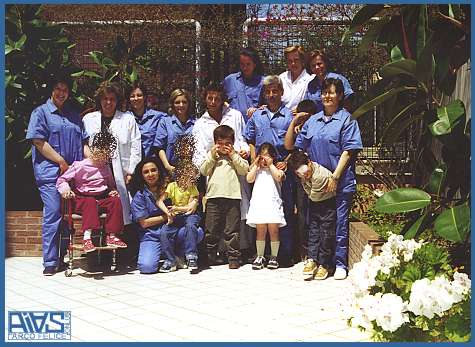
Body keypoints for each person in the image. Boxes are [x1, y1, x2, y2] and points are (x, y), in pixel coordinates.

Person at [285, 78, 363, 280]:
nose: (327, 96)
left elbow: (348, 151)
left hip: (339, 182)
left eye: (332, 92)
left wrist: (335, 177)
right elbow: (299, 148)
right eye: (324, 92)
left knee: (338, 223)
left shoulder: (347, 120)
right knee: (316, 224)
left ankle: (338, 263)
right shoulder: (313, 121)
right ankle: (317, 260)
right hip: (317, 186)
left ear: (339, 96)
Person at [26, 74, 90, 276]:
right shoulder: (41, 113)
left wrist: (93, 162)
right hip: (50, 174)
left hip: (72, 175)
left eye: (65, 90)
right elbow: (38, 141)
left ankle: (63, 256)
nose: (62, 93)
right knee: (53, 213)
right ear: (52, 90)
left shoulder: (73, 115)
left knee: (68, 217)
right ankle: (51, 261)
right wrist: (61, 161)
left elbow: (84, 144)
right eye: (58, 89)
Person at [191, 82, 252, 262]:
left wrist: (240, 151)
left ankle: (236, 253)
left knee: (235, 219)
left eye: (217, 98)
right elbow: (199, 156)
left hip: (234, 175)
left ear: (222, 99)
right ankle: (213, 255)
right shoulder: (200, 124)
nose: (213, 101)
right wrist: (213, 155)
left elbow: (241, 139)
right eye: (210, 98)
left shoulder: (234, 115)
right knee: (214, 222)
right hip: (215, 177)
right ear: (205, 99)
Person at [244, 75, 295, 267]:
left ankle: (283, 256)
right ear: (264, 94)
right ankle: (260, 254)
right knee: (260, 214)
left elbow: (297, 144)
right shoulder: (257, 115)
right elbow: (249, 139)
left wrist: (287, 162)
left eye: (275, 91)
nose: (272, 95)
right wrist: (253, 161)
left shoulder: (289, 116)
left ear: (281, 92)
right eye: (268, 92)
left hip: (281, 170)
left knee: (283, 214)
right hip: (260, 171)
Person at [130, 157, 204, 274]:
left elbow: (190, 195)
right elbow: (144, 223)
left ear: (159, 171)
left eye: (153, 170)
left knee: (197, 231)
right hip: (152, 236)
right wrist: (167, 216)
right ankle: (167, 255)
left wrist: (194, 202)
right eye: (146, 172)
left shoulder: (170, 187)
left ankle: (178, 255)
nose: (150, 174)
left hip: (172, 232)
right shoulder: (139, 196)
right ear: (142, 176)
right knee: (147, 267)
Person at [56, 130, 127, 252]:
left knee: (115, 201)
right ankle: (87, 238)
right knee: (90, 202)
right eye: (100, 154)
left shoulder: (105, 168)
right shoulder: (80, 166)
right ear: (93, 150)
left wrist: (113, 190)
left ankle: (112, 236)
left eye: (106, 156)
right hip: (82, 198)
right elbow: (62, 180)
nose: (102, 159)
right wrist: (66, 190)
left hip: (101, 197)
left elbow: (110, 185)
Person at [82, 81, 142, 227]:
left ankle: (120, 239)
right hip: (96, 171)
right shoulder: (88, 119)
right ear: (100, 100)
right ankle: (97, 239)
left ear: (117, 101)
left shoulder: (127, 119)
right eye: (105, 99)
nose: (108, 102)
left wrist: (131, 171)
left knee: (121, 207)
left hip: (121, 171)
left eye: (112, 99)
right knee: (97, 206)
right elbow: (83, 143)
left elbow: (136, 145)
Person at [200, 125, 249, 269]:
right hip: (213, 197)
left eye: (227, 144)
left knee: (232, 230)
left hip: (232, 197)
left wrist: (233, 155)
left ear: (232, 143)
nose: (223, 147)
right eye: (220, 143)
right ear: (215, 143)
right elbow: (203, 171)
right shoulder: (211, 157)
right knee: (211, 228)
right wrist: (211, 156)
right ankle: (210, 256)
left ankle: (233, 257)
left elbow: (244, 170)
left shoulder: (235, 157)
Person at [288, 150, 336, 280]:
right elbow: (309, 192)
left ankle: (325, 264)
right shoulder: (304, 175)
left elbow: (312, 195)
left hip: (327, 204)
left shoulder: (319, 176)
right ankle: (312, 260)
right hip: (316, 203)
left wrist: (307, 186)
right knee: (313, 232)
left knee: (326, 234)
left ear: (309, 163)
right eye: (300, 174)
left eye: (306, 173)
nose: (304, 176)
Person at [155, 135, 201, 273]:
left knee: (191, 225)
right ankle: (170, 260)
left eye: (190, 175)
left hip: (188, 215)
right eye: (184, 174)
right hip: (176, 215)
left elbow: (191, 206)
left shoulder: (192, 187)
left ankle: (191, 256)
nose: (187, 177)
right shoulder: (172, 186)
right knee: (164, 232)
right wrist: (168, 213)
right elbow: (159, 201)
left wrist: (177, 208)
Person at [246, 143, 286, 270]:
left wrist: (271, 165)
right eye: (262, 156)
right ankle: (260, 256)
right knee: (260, 230)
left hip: (273, 204)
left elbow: (279, 177)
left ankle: (274, 257)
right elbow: (249, 179)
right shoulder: (256, 170)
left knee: (274, 230)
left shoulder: (278, 169)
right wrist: (256, 165)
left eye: (268, 156)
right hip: (259, 204)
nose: (265, 159)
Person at [293, 99, 318, 261]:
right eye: (303, 118)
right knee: (302, 215)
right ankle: (304, 250)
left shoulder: (319, 129)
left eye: (309, 117)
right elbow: (292, 150)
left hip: (317, 178)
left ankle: (315, 252)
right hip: (301, 180)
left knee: (316, 215)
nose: (306, 121)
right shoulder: (297, 132)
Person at [153, 89, 196, 176]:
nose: (181, 105)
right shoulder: (165, 122)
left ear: (188, 104)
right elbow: (159, 147)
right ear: (172, 104)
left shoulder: (196, 123)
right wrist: (167, 166)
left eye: (184, 102)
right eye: (177, 102)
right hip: (171, 171)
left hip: (191, 171)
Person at [223, 47, 265, 122]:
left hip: (253, 126)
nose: (245, 68)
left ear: (255, 64)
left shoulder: (262, 82)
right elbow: (218, 97)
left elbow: (270, 106)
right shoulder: (230, 80)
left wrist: (259, 110)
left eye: (248, 64)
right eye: (242, 64)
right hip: (232, 125)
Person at [127, 82, 166, 158]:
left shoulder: (158, 117)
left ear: (145, 97)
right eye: (132, 96)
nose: (136, 98)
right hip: (131, 164)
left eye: (139, 95)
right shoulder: (124, 118)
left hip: (152, 164)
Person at [279, 45, 313, 111]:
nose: (293, 64)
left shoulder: (310, 80)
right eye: (290, 61)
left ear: (302, 61)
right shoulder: (281, 78)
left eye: (296, 60)